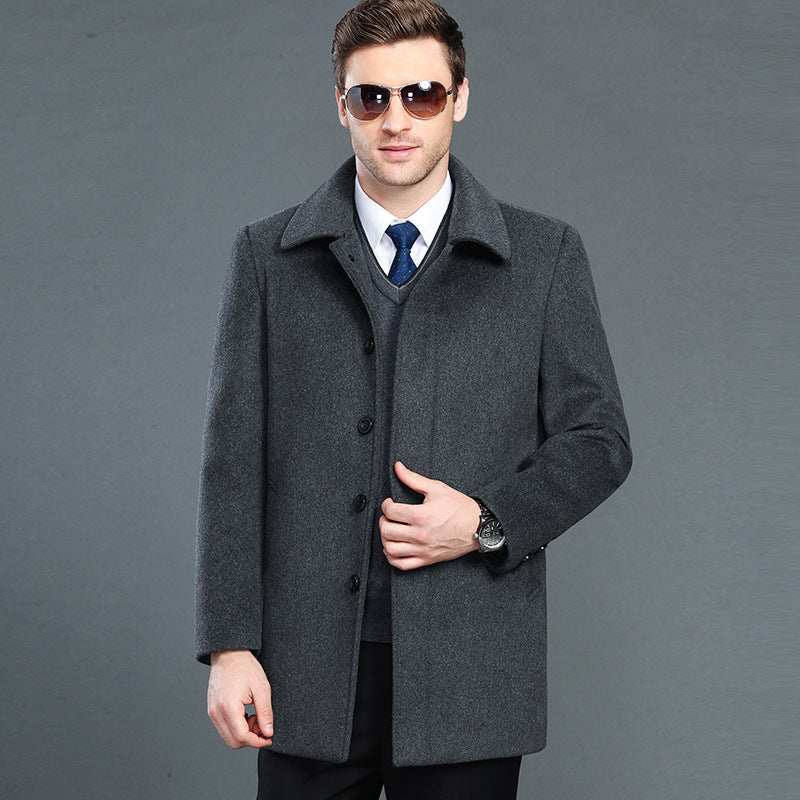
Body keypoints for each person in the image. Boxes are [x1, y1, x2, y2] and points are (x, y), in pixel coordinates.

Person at [195, 1, 632, 797]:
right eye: (372, 97)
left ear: (459, 97)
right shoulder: (267, 258)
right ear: (342, 106)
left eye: (421, 94)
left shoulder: (544, 257)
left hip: (472, 669)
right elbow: (233, 466)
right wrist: (229, 646)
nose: (396, 120)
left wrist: (487, 521)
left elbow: (599, 441)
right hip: (304, 670)